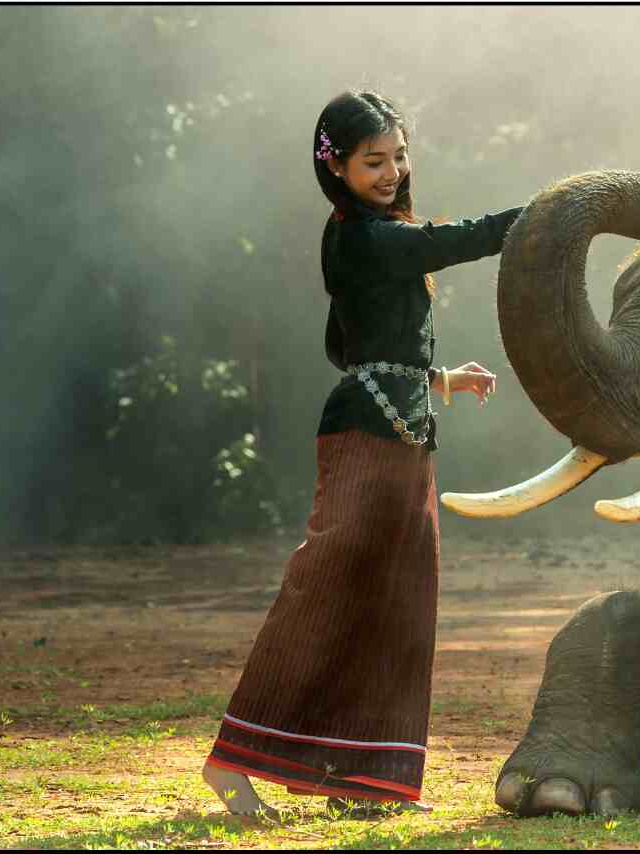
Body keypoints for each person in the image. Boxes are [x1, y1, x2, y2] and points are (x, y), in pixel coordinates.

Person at [200, 90, 521, 819]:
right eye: (373, 160)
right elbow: (459, 239)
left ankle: (362, 778)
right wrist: (550, 215)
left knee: (401, 604)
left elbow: (353, 342)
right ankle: (232, 761)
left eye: (399, 156)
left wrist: (440, 377)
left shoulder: (378, 236)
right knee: (326, 591)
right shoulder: (360, 238)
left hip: (404, 433)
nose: (392, 171)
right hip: (365, 435)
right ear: (335, 167)